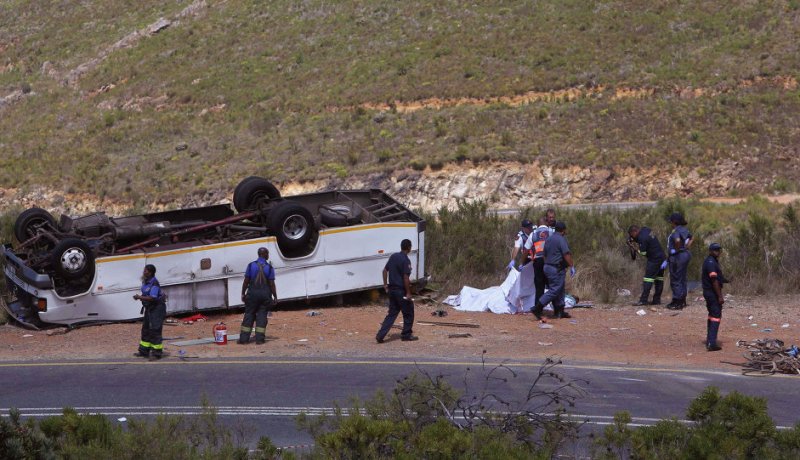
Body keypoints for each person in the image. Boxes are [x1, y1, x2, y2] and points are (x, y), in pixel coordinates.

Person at [531, 221, 575, 320]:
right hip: (556, 268)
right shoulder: (561, 239)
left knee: (560, 289)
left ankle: (560, 311)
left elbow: (544, 254)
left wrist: (547, 264)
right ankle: (537, 307)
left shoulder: (549, 239)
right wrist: (571, 266)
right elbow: (566, 254)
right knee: (554, 290)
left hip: (548, 267)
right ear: (563, 231)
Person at [376, 239, 417, 343]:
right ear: (409, 247)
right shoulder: (405, 260)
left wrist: (385, 285)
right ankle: (406, 335)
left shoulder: (393, 256)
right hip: (401, 291)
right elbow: (405, 278)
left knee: (392, 313)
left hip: (391, 290)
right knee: (408, 312)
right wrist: (408, 293)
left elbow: (385, 271)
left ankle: (380, 335)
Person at [238, 247, 278, 345]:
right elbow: (272, 284)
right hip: (265, 295)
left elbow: (246, 281)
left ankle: (244, 339)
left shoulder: (251, 266)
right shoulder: (269, 268)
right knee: (262, 316)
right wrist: (275, 296)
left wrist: (243, 293)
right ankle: (259, 340)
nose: (268, 256)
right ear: (264, 254)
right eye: (267, 254)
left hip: (252, 295)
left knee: (249, 314)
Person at [627, 225, 667, 306]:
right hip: (662, 257)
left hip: (654, 259)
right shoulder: (646, 230)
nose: (631, 237)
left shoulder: (642, 238)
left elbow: (643, 253)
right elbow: (648, 239)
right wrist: (635, 239)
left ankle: (643, 300)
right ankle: (656, 300)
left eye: (631, 235)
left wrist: (633, 247)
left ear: (634, 232)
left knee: (648, 279)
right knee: (659, 279)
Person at [133, 264, 166, 360]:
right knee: (145, 329)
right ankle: (144, 351)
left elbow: (152, 297)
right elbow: (146, 294)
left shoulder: (154, 283)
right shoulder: (146, 282)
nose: (144, 272)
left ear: (150, 272)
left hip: (157, 308)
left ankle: (156, 353)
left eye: (146, 271)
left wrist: (139, 297)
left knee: (155, 330)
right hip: (149, 308)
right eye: (144, 270)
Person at [702, 243, 728, 351]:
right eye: (715, 250)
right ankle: (711, 343)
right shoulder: (711, 262)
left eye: (719, 250)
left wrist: (724, 279)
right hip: (712, 293)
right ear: (710, 251)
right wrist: (720, 296)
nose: (718, 252)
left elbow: (717, 277)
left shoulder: (712, 261)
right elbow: (714, 280)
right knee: (716, 316)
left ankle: (710, 340)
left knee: (712, 316)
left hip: (709, 292)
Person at [666, 212, 693, 309]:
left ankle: (677, 302)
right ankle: (682, 300)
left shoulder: (676, 231)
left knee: (675, 278)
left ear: (674, 222)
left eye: (671, 221)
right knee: (682, 278)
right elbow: (691, 237)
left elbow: (677, 240)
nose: (670, 223)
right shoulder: (684, 229)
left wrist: (676, 250)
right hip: (685, 255)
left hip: (677, 257)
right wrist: (686, 247)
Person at [525, 217, 551, 306]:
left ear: (538, 224)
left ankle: (538, 309)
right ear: (546, 223)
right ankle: (557, 309)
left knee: (539, 287)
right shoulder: (552, 232)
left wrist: (521, 263)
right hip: (550, 262)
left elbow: (526, 249)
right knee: (552, 287)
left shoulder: (533, 234)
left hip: (538, 261)